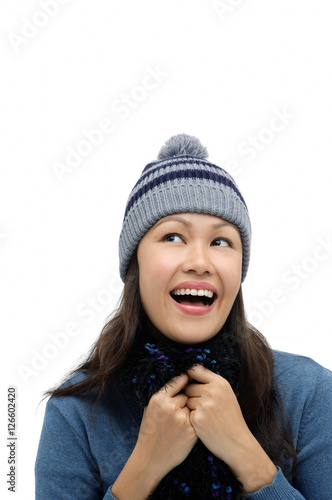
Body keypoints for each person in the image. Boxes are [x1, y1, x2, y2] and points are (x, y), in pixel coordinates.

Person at [35, 133, 332, 499]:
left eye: (221, 241)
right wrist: (144, 467)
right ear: (136, 264)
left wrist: (246, 455)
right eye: (173, 237)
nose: (199, 262)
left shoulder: (310, 392)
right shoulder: (76, 412)